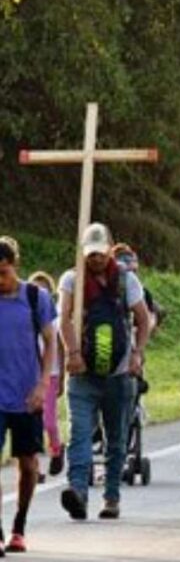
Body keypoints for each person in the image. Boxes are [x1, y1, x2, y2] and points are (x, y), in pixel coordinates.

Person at [59, 223, 150, 521]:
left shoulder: (127, 281)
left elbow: (143, 319)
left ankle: (112, 496)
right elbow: (64, 320)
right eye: (90, 254)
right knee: (80, 434)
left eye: (100, 253)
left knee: (116, 438)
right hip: (83, 373)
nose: (95, 259)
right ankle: (78, 492)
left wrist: (137, 354)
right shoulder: (72, 279)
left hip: (119, 374)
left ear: (110, 249)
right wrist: (73, 354)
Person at [0, 237, 56, 553]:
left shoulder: (36, 297)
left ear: (15, 266)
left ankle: (19, 526)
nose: (0, 280)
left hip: (26, 395)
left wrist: (42, 385)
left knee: (29, 464)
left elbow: (50, 341)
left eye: (4, 273)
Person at [26, 272, 65, 480]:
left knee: (49, 422)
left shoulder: (54, 319)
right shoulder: (22, 314)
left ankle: (57, 449)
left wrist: (63, 377)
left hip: (51, 374)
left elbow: (59, 345)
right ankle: (35, 468)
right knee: (32, 424)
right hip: (29, 374)